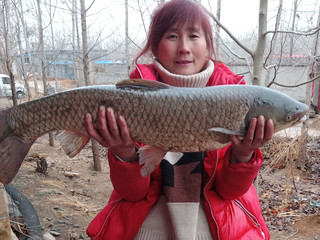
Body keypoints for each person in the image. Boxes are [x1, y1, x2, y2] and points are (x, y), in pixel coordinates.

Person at [85, 0, 273, 239]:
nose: (184, 47)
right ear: (155, 46)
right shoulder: (130, 99)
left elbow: (228, 193)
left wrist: (243, 156)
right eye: (172, 36)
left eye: (194, 35)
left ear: (208, 45)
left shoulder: (236, 102)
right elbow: (132, 195)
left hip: (215, 225)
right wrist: (124, 152)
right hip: (146, 223)